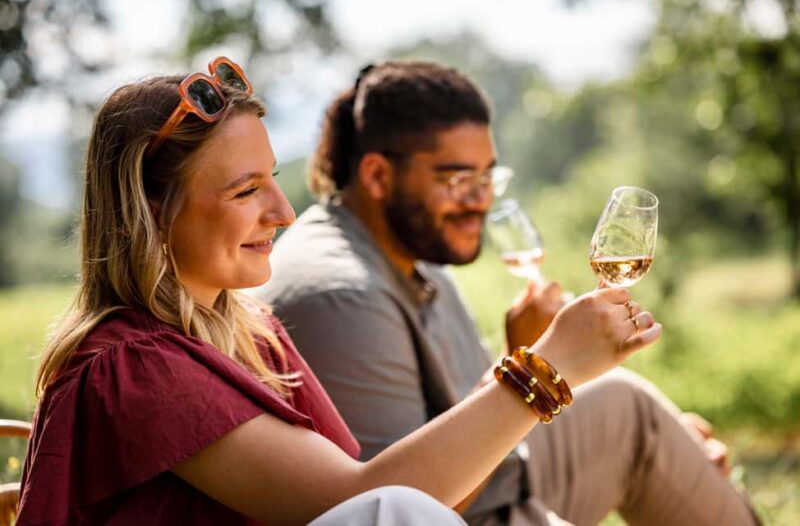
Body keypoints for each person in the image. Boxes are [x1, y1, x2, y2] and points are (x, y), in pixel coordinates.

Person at [15, 57, 661, 526]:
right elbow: (367, 504)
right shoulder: (134, 367)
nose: (283, 210)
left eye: (273, 178)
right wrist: (546, 369)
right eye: (246, 191)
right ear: (151, 213)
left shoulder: (250, 333)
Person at [256, 61, 760, 525]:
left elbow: (460, 425)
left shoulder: (410, 255)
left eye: (488, 177)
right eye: (458, 180)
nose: (481, 201)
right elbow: (403, 509)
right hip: (472, 513)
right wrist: (533, 366)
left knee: (633, 413)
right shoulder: (341, 298)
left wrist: (520, 360)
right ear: (378, 175)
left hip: (494, 482)